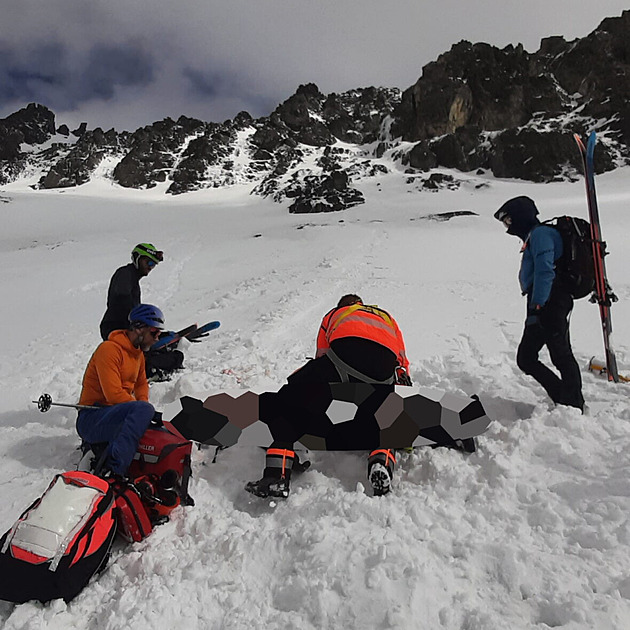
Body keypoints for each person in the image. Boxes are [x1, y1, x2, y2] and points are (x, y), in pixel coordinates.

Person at [245, 294, 411, 499]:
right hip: (384, 366)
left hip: (346, 354)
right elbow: (402, 362)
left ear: (343, 305)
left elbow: (323, 355)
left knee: (294, 397)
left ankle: (276, 474)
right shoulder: (386, 316)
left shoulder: (334, 314)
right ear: (361, 304)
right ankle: (381, 460)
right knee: (383, 413)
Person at [494, 196, 584, 411]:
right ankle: (566, 398)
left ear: (520, 216)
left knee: (552, 354)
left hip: (550, 300)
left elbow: (545, 271)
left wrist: (538, 306)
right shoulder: (536, 235)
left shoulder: (542, 234)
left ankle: (572, 402)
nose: (508, 226)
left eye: (508, 220)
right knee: (540, 355)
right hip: (545, 299)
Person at [77, 304, 165, 477]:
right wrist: (143, 409)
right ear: (139, 328)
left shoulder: (138, 355)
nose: (157, 338)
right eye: (154, 332)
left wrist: (144, 408)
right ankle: (114, 471)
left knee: (146, 416)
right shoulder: (109, 350)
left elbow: (141, 385)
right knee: (143, 411)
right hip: (91, 418)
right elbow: (113, 394)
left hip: (116, 414)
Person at [99, 243, 183, 381]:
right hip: (116, 329)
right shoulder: (124, 274)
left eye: (153, 264)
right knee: (149, 360)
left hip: (126, 329)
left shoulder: (132, 278)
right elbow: (122, 298)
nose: (150, 266)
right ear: (137, 258)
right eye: (148, 262)